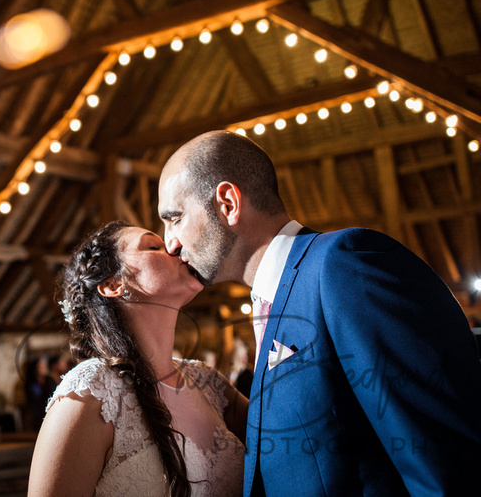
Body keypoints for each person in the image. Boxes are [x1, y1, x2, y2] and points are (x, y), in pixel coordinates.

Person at [158, 129, 481, 496]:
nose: (171, 242)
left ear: (228, 203)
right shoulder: (272, 303)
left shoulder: (342, 265)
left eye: (175, 218)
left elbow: (443, 461)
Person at [28, 221, 248, 497]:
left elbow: (292, 433)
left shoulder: (209, 383)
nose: (174, 246)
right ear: (113, 284)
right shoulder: (93, 392)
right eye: (153, 246)